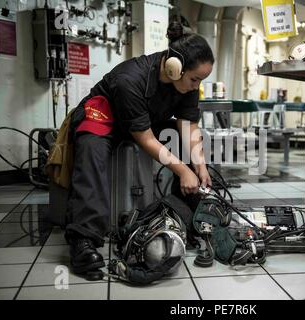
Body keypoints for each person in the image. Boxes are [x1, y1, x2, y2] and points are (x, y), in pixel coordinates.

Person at [65, 21, 214, 275]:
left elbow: (187, 126)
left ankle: (187, 217)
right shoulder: (129, 79)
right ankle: (84, 240)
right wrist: (182, 171)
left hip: (142, 121)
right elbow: (145, 139)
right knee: (92, 147)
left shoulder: (187, 82)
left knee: (187, 143)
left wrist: (199, 167)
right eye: (194, 79)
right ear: (175, 68)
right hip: (102, 115)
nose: (195, 86)